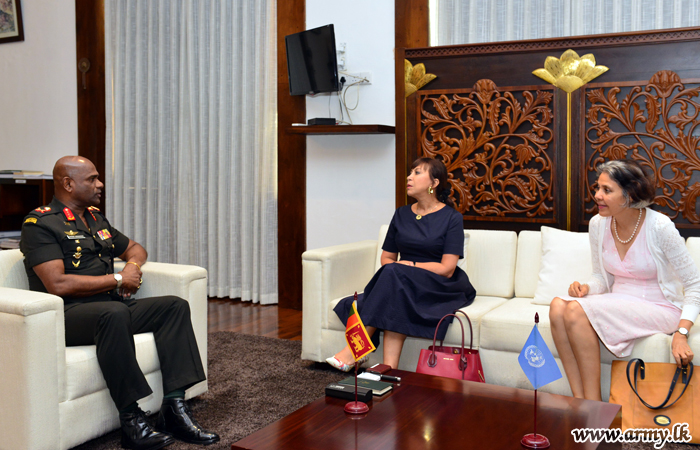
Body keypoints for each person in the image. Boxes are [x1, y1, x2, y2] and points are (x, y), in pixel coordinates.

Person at [20, 156, 219, 449]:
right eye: (92, 179)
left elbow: (136, 249)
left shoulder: (94, 218)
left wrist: (131, 268)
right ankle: (131, 420)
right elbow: (57, 284)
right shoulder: (40, 223)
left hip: (110, 308)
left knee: (173, 306)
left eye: (98, 178)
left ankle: (174, 408)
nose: (100, 184)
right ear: (68, 183)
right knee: (112, 313)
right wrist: (116, 281)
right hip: (68, 314)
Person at [549, 159, 700, 401]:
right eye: (597, 188)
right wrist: (587, 287)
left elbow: (694, 285)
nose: (597, 195)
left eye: (607, 190)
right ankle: (580, 400)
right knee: (557, 306)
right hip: (619, 298)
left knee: (575, 311)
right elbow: (601, 277)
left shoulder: (660, 227)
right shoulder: (598, 224)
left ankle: (594, 405)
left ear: (629, 194)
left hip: (660, 306)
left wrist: (681, 333)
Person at [326, 157, 477, 371]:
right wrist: (402, 268)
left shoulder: (452, 218)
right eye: (410, 172)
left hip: (438, 285)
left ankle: (355, 350)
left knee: (394, 274)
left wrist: (410, 265)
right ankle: (389, 368)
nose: (409, 177)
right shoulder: (401, 213)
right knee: (394, 280)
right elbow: (387, 258)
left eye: (417, 173)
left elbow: (447, 268)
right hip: (402, 283)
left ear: (434, 183)